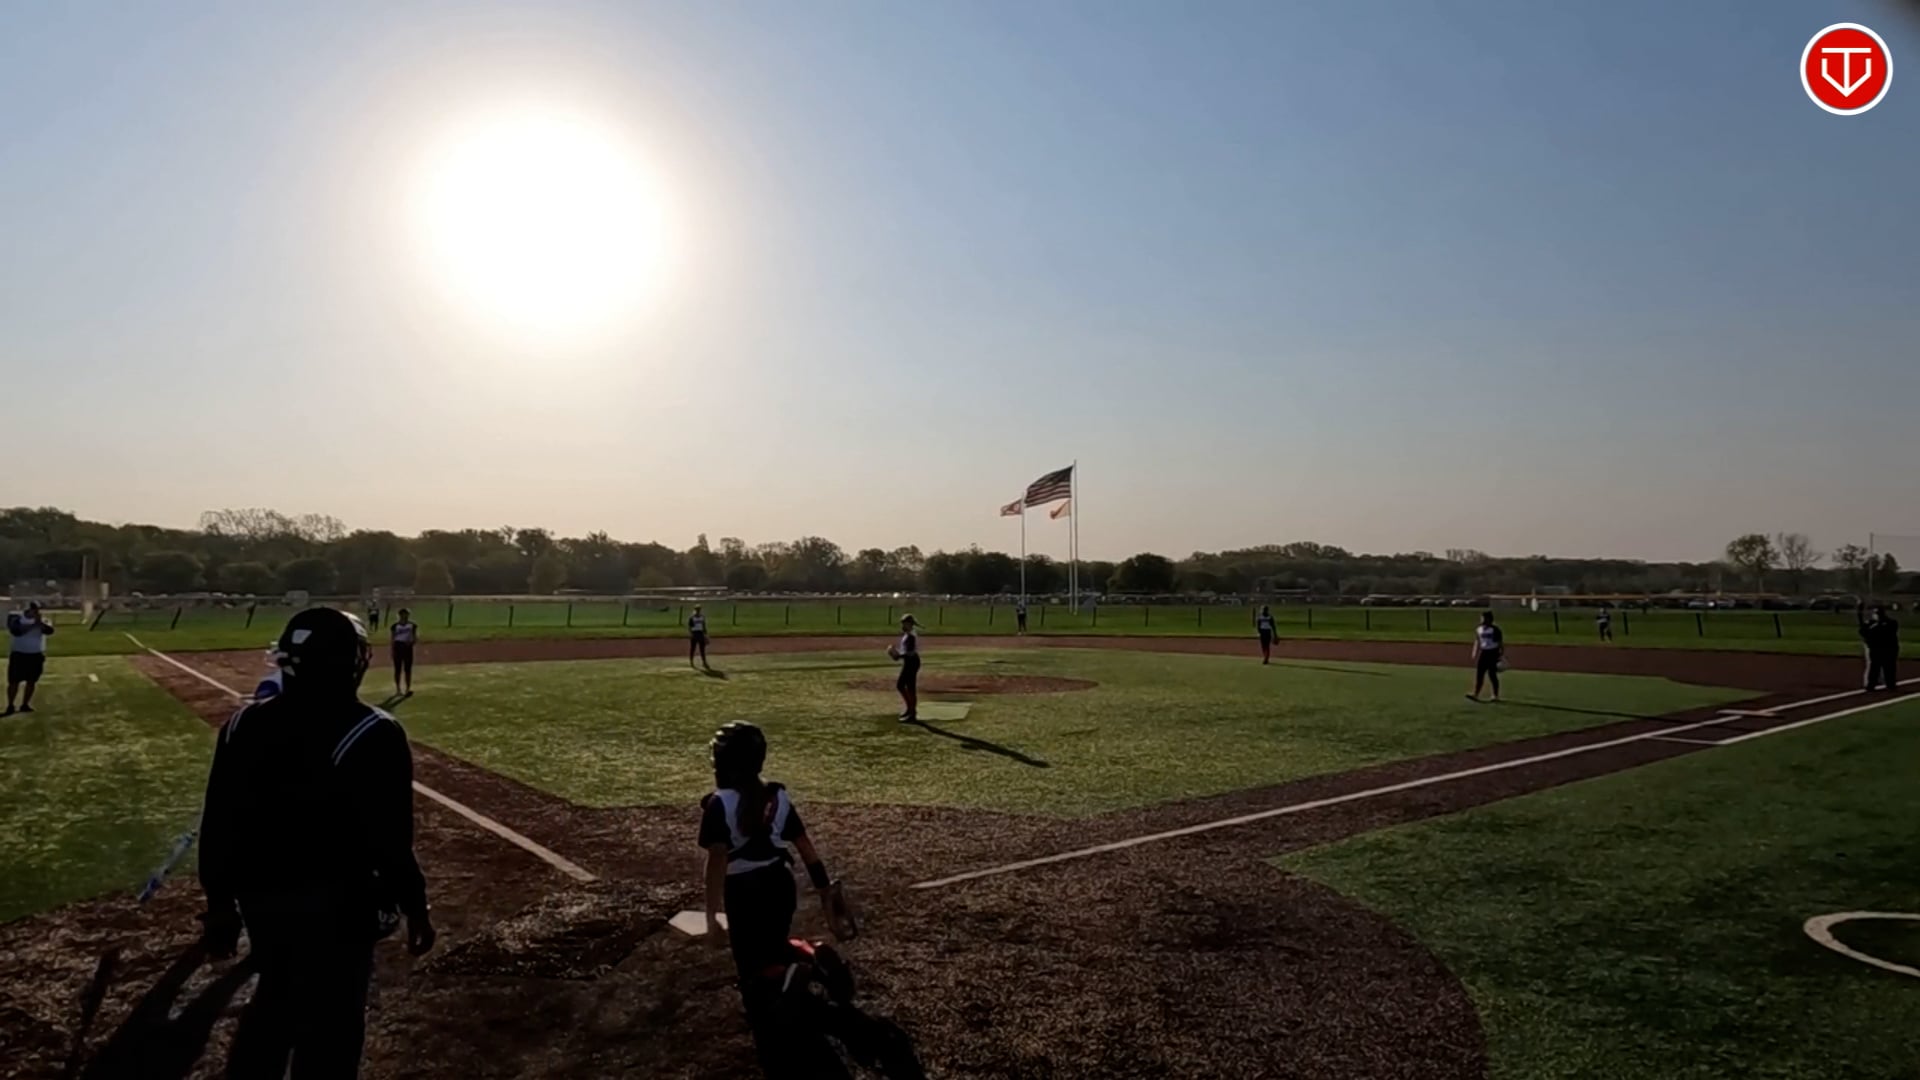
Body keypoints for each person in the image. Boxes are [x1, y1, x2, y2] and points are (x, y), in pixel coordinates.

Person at [197, 607, 435, 1080]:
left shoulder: (242, 725)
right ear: (351, 662)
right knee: (332, 1031)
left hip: (262, 900)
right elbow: (391, 842)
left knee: (273, 1001)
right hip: (340, 907)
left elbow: (219, 824)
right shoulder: (374, 731)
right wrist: (416, 907)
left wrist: (220, 905)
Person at [699, 722, 839, 1077]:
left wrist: (712, 915)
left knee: (752, 974)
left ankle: (788, 976)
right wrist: (824, 890)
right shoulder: (779, 797)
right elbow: (806, 849)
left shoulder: (719, 804)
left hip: (743, 891)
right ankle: (810, 954)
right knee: (772, 941)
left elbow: (716, 864)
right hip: (780, 885)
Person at [5, 602, 54, 716]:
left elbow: (49, 631)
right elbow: (17, 632)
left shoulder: (44, 620)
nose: (36, 612)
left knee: (31, 681)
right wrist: (33, 625)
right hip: (19, 655)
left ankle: (25, 704)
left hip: (35, 655)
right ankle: (10, 705)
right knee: (14, 682)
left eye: (37, 610)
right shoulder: (17, 619)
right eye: (33, 610)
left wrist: (39, 622)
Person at [1858, 603, 1900, 691]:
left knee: (1889, 668)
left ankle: (1890, 684)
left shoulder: (1891, 623)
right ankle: (1871, 685)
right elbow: (1863, 632)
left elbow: (1885, 630)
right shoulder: (1870, 623)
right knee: (1874, 668)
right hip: (1875, 649)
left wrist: (1876, 625)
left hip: (1888, 649)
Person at [887, 615, 920, 722]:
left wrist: (896, 655)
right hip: (910, 661)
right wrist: (897, 654)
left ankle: (912, 712)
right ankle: (910, 709)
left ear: (909, 624)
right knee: (902, 686)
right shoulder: (908, 634)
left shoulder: (910, 636)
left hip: (912, 662)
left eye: (904, 623)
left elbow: (909, 653)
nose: (903, 625)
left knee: (908, 687)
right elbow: (906, 652)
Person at [1466, 610, 1505, 703]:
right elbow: (1477, 640)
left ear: (1489, 619)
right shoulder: (1479, 629)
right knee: (1479, 674)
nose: (1482, 619)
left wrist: (1500, 654)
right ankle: (1476, 694)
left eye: (1484, 618)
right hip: (1483, 652)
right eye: (1481, 618)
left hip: (1492, 652)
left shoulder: (1495, 629)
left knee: (1492, 674)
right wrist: (1474, 651)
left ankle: (1495, 695)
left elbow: (1500, 643)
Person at [390, 608, 419, 697]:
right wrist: (392, 650)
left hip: (407, 648)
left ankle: (407, 688)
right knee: (397, 669)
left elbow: (415, 637)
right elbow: (392, 638)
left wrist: (412, 642)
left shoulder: (412, 625)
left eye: (406, 614)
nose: (404, 616)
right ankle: (398, 689)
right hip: (398, 647)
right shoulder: (395, 626)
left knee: (408, 669)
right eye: (402, 614)